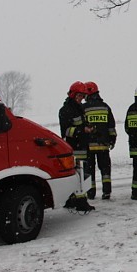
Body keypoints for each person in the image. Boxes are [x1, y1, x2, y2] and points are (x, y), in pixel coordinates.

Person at [58, 81, 95, 212]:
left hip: (83, 146)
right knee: (78, 176)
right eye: (79, 95)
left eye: (83, 96)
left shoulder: (80, 108)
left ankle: (75, 200)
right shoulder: (65, 110)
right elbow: (66, 131)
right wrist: (82, 130)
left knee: (82, 175)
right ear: (73, 94)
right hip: (74, 148)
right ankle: (80, 202)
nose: (81, 99)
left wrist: (89, 128)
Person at [83, 81, 117, 200]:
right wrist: (112, 139)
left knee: (89, 170)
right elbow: (111, 126)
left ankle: (90, 193)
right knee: (105, 170)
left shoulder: (84, 108)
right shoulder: (105, 107)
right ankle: (106, 191)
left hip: (88, 146)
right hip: (103, 145)